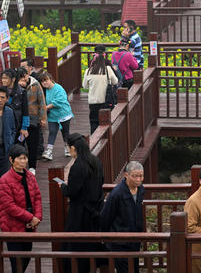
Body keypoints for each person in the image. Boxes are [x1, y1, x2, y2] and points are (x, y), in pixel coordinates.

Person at [59, 133, 105, 273]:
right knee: (90, 245)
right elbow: (101, 181)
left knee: (75, 245)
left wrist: (63, 186)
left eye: (68, 148)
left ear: (73, 147)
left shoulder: (78, 166)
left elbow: (72, 191)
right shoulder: (95, 161)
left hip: (80, 213)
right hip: (95, 209)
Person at [0, 144, 42, 273]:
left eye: (25, 158)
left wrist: (38, 217)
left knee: (27, 256)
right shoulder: (4, 180)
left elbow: (37, 197)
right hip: (13, 226)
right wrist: (31, 217)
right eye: (20, 158)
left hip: (29, 225)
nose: (23, 161)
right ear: (11, 160)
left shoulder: (30, 176)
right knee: (16, 262)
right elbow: (9, 206)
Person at [100, 161, 146, 273]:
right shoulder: (117, 194)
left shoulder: (140, 189)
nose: (138, 179)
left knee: (135, 269)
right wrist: (104, 236)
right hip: (120, 242)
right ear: (126, 175)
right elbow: (105, 216)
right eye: (135, 176)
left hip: (135, 240)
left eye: (141, 176)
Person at [15, 68, 45, 173]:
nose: (24, 79)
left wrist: (43, 118)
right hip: (20, 121)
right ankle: (19, 167)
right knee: (19, 143)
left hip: (33, 120)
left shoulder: (35, 85)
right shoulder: (15, 89)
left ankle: (32, 167)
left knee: (33, 145)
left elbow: (41, 102)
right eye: (21, 78)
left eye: (25, 76)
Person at [39, 72, 73, 161]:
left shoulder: (58, 88)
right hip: (53, 115)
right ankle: (49, 151)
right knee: (52, 132)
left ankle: (67, 148)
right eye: (42, 81)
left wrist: (46, 107)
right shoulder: (45, 90)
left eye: (46, 80)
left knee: (65, 132)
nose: (44, 83)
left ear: (50, 79)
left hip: (63, 113)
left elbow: (60, 101)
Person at [83, 46, 118, 133]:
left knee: (94, 123)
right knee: (106, 124)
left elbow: (85, 86)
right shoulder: (108, 69)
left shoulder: (88, 71)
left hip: (93, 102)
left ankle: (94, 142)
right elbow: (115, 81)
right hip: (105, 101)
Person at [2, 70, 27, 144]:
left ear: (13, 79)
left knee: (17, 149)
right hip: (3, 126)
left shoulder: (22, 92)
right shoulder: (1, 91)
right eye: (2, 78)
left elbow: (25, 111)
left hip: (17, 127)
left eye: (6, 78)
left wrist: (24, 128)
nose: (3, 80)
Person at [0, 87, 16, 176]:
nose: (0, 100)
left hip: (5, 149)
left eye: (2, 98)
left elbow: (13, 129)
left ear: (7, 99)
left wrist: (10, 141)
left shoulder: (9, 111)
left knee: (4, 176)